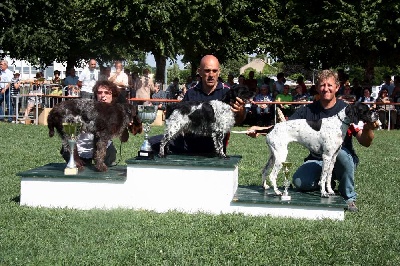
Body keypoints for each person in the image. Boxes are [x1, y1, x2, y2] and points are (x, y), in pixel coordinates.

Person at [246, 69, 379, 212]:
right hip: (316, 160)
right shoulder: (307, 110)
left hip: (342, 160)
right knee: (299, 181)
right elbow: (284, 127)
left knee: (340, 153)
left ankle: (349, 197)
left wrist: (368, 128)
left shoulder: (348, 110)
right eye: (322, 85)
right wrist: (259, 130)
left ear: (337, 87)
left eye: (329, 85)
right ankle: (327, 183)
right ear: (317, 88)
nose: (325, 88)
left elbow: (365, 141)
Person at [149, 54, 246, 154]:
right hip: (189, 145)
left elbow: (238, 122)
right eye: (207, 71)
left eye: (214, 71)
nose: (211, 74)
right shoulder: (191, 92)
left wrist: (241, 111)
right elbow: (180, 118)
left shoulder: (228, 93)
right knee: (150, 143)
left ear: (219, 72)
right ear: (200, 71)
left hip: (213, 149)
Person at [61, 80, 121, 166]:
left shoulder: (115, 112)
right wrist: (75, 157)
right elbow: (70, 134)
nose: (103, 96)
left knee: (109, 164)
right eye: (99, 92)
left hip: (103, 147)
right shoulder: (85, 109)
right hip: (79, 149)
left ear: (113, 96)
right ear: (96, 95)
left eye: (107, 93)